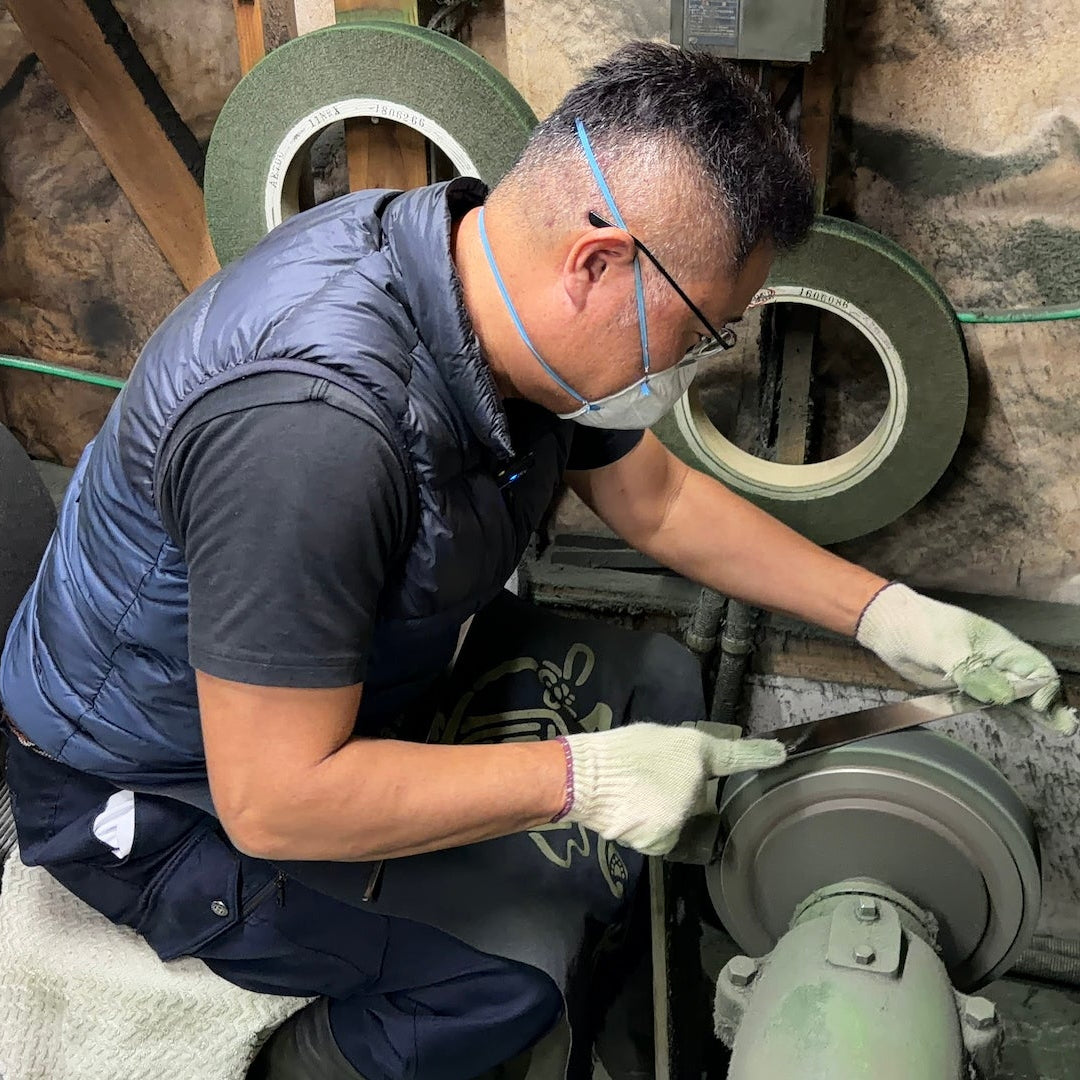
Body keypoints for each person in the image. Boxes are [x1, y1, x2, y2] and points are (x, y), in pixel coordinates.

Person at [1, 41, 1074, 1080]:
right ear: (599, 263)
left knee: (659, 679)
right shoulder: (312, 426)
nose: (690, 367)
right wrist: (582, 780)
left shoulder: (483, 275)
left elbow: (658, 499)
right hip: (162, 790)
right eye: (701, 333)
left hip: (362, 677)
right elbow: (275, 802)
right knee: (504, 983)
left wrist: (893, 615)